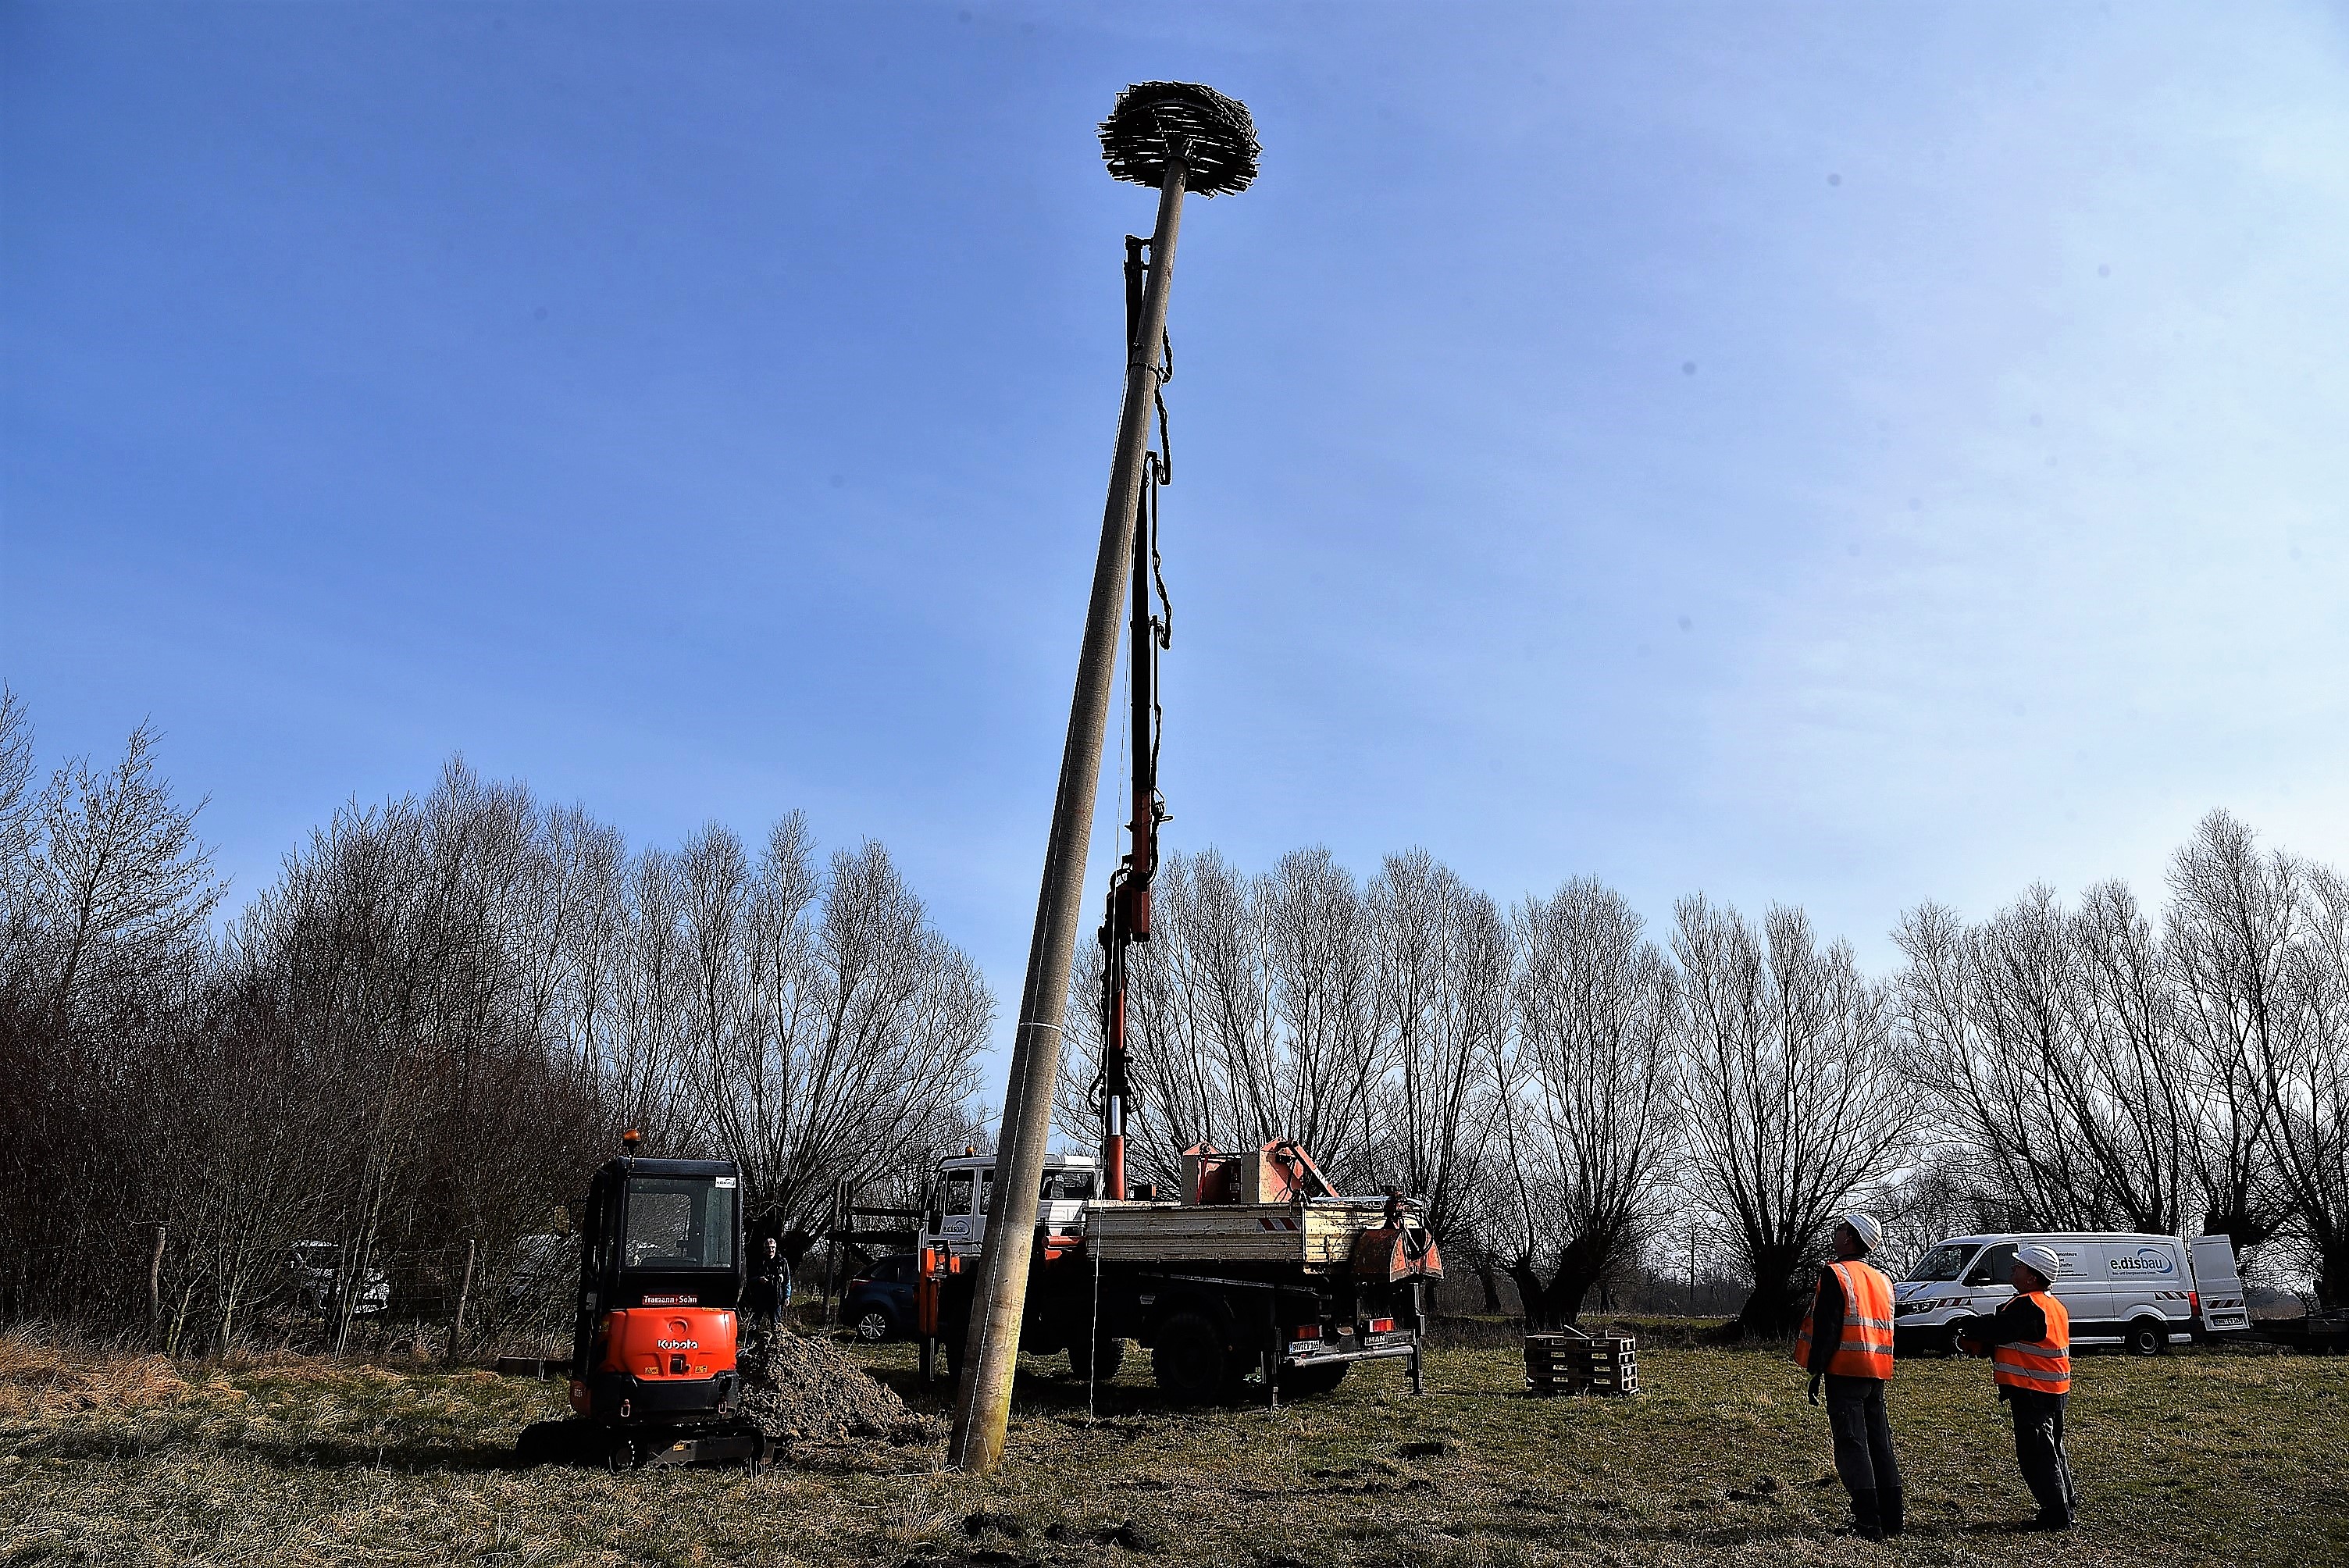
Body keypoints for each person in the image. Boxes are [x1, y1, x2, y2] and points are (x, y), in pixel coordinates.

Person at [1795, 1213, 1902, 1540]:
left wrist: (1816, 1369)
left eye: (1841, 1229)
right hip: (1877, 1371)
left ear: (1851, 1238)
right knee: (1879, 1444)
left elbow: (1828, 1326)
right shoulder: (1882, 1279)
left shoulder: (1835, 1274)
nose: (1835, 1233)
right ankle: (1892, 1517)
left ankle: (1867, 1521)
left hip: (1845, 1371)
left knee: (1851, 1445)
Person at [1957, 1242, 2076, 1531]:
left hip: (2032, 1389)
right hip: (2054, 1388)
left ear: (2033, 1276)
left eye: (2019, 1266)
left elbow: (2001, 1329)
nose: (2013, 1269)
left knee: (2036, 1451)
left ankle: (2056, 1511)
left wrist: (1966, 1324)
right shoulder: (2052, 1305)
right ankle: (2065, 1501)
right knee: (2052, 1448)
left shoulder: (2027, 1305)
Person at [744, 1235, 785, 1342]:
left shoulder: (782, 1262)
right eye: (768, 1247)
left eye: (772, 1247)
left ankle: (778, 1346)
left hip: (776, 1298)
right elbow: (749, 1279)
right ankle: (748, 1344)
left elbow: (787, 1281)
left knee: (776, 1326)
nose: (770, 1250)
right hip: (760, 1297)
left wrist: (787, 1296)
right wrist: (759, 1279)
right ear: (764, 1249)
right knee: (754, 1323)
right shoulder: (758, 1262)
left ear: (775, 1248)